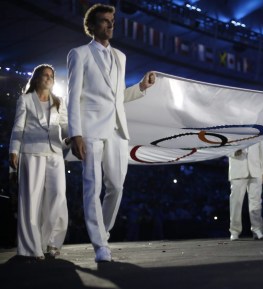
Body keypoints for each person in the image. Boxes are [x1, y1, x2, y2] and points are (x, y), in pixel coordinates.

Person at [67, 3, 156, 262]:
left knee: (116, 186)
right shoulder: (79, 54)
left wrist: (140, 87)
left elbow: (117, 98)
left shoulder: (121, 56)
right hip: (90, 129)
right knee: (91, 186)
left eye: (111, 20)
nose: (110, 24)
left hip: (117, 129)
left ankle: (103, 234)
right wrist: (76, 133)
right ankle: (99, 245)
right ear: (92, 27)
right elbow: (73, 97)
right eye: (104, 21)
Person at [9, 64, 69, 259]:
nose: (49, 78)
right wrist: (13, 151)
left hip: (55, 152)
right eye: (45, 75)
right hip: (31, 152)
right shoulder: (25, 100)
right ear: (36, 78)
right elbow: (18, 127)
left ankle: (52, 243)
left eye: (51, 75)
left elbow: (66, 126)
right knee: (31, 199)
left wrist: (75, 137)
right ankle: (31, 247)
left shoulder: (59, 101)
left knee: (58, 196)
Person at [228, 142, 263, 241]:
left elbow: (261, 151)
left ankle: (257, 230)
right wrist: (233, 152)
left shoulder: (257, 129)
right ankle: (234, 231)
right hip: (237, 170)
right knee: (236, 203)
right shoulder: (231, 130)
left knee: (256, 201)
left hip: (256, 170)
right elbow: (223, 147)